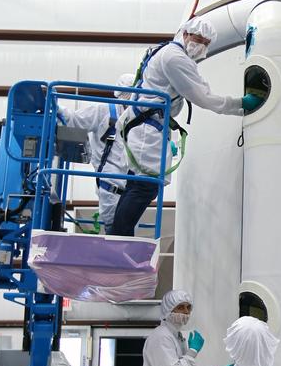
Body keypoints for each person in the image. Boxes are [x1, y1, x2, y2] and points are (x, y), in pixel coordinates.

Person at [110, 16, 262, 237]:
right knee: (144, 186)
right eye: (198, 39)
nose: (201, 46)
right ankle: (120, 237)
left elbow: (197, 88)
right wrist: (239, 105)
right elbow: (203, 96)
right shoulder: (175, 58)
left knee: (139, 184)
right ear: (185, 34)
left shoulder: (169, 53)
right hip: (146, 128)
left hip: (146, 126)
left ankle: (119, 235)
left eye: (206, 43)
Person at [58, 73, 135, 231]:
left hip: (131, 186)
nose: (132, 98)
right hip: (111, 185)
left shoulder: (138, 116)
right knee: (116, 231)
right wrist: (56, 107)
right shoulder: (103, 110)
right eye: (128, 93)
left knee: (126, 232)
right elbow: (75, 121)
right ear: (119, 93)